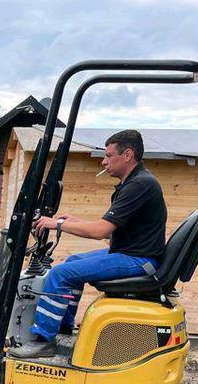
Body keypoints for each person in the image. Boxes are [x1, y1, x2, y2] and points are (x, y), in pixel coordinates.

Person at [9, 129, 167, 359]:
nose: (104, 161)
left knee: (60, 274)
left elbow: (100, 231)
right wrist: (73, 221)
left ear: (128, 155)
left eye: (109, 155)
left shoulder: (139, 185)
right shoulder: (136, 182)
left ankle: (43, 341)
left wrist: (57, 224)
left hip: (138, 260)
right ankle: (63, 327)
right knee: (72, 262)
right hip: (132, 253)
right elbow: (110, 230)